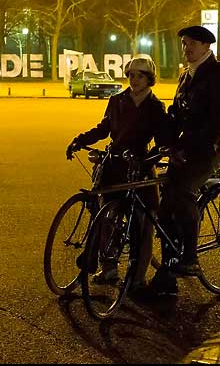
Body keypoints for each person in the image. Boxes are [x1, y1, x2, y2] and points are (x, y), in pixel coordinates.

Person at [144, 25, 220, 298]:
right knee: (163, 211)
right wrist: (165, 143)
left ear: (206, 46)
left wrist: (187, 147)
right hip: (184, 149)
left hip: (210, 148)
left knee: (183, 192)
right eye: (184, 44)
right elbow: (176, 114)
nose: (186, 49)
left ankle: (190, 257)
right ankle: (168, 274)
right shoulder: (186, 75)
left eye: (191, 44)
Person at [66, 56, 173, 288]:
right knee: (107, 218)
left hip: (140, 168)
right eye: (131, 75)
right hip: (114, 166)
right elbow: (103, 128)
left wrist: (148, 158)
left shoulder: (155, 106)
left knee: (143, 224)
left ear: (149, 79)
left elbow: (162, 141)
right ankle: (109, 268)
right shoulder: (116, 101)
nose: (134, 80)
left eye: (140, 75)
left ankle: (137, 278)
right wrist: (79, 140)